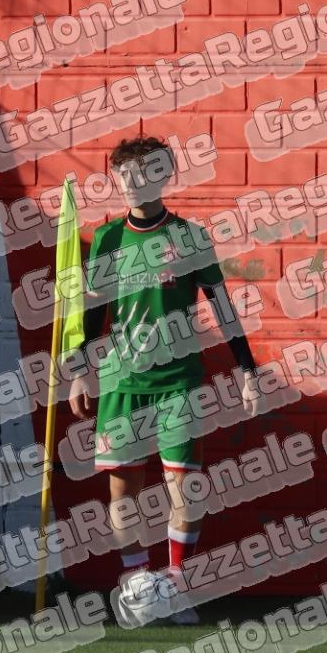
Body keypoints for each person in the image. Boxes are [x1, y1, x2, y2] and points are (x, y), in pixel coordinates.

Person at [66, 135, 263, 624]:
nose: (131, 184)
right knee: (123, 493)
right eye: (123, 176)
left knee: (185, 487)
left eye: (142, 174)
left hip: (178, 382)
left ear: (163, 176)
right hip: (121, 382)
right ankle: (138, 582)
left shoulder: (190, 237)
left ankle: (175, 586)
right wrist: (80, 371)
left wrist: (248, 371)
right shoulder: (108, 239)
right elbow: (93, 313)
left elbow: (222, 307)